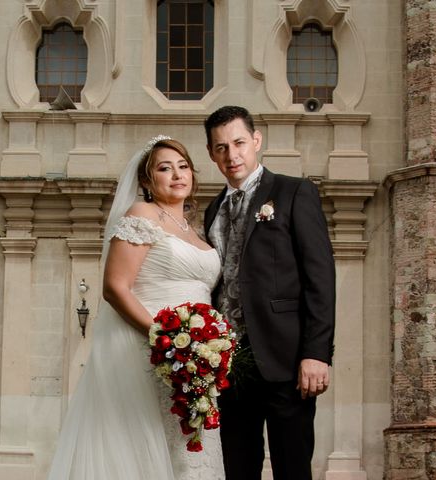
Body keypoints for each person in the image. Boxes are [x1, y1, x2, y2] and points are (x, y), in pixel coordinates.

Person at [47, 136, 226, 480]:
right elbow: (115, 287)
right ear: (146, 181)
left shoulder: (196, 229)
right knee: (150, 447)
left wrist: (203, 348)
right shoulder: (141, 214)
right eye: (164, 168)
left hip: (198, 357)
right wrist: (167, 340)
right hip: (153, 349)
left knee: (189, 447)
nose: (177, 175)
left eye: (183, 166)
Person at [203, 105, 335, 480]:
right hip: (230, 365)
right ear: (212, 153)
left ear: (256, 141)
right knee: (237, 469)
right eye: (221, 147)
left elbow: (320, 277)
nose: (232, 155)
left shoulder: (295, 192)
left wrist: (316, 353)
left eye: (239, 143)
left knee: (292, 470)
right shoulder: (213, 210)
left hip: (286, 360)